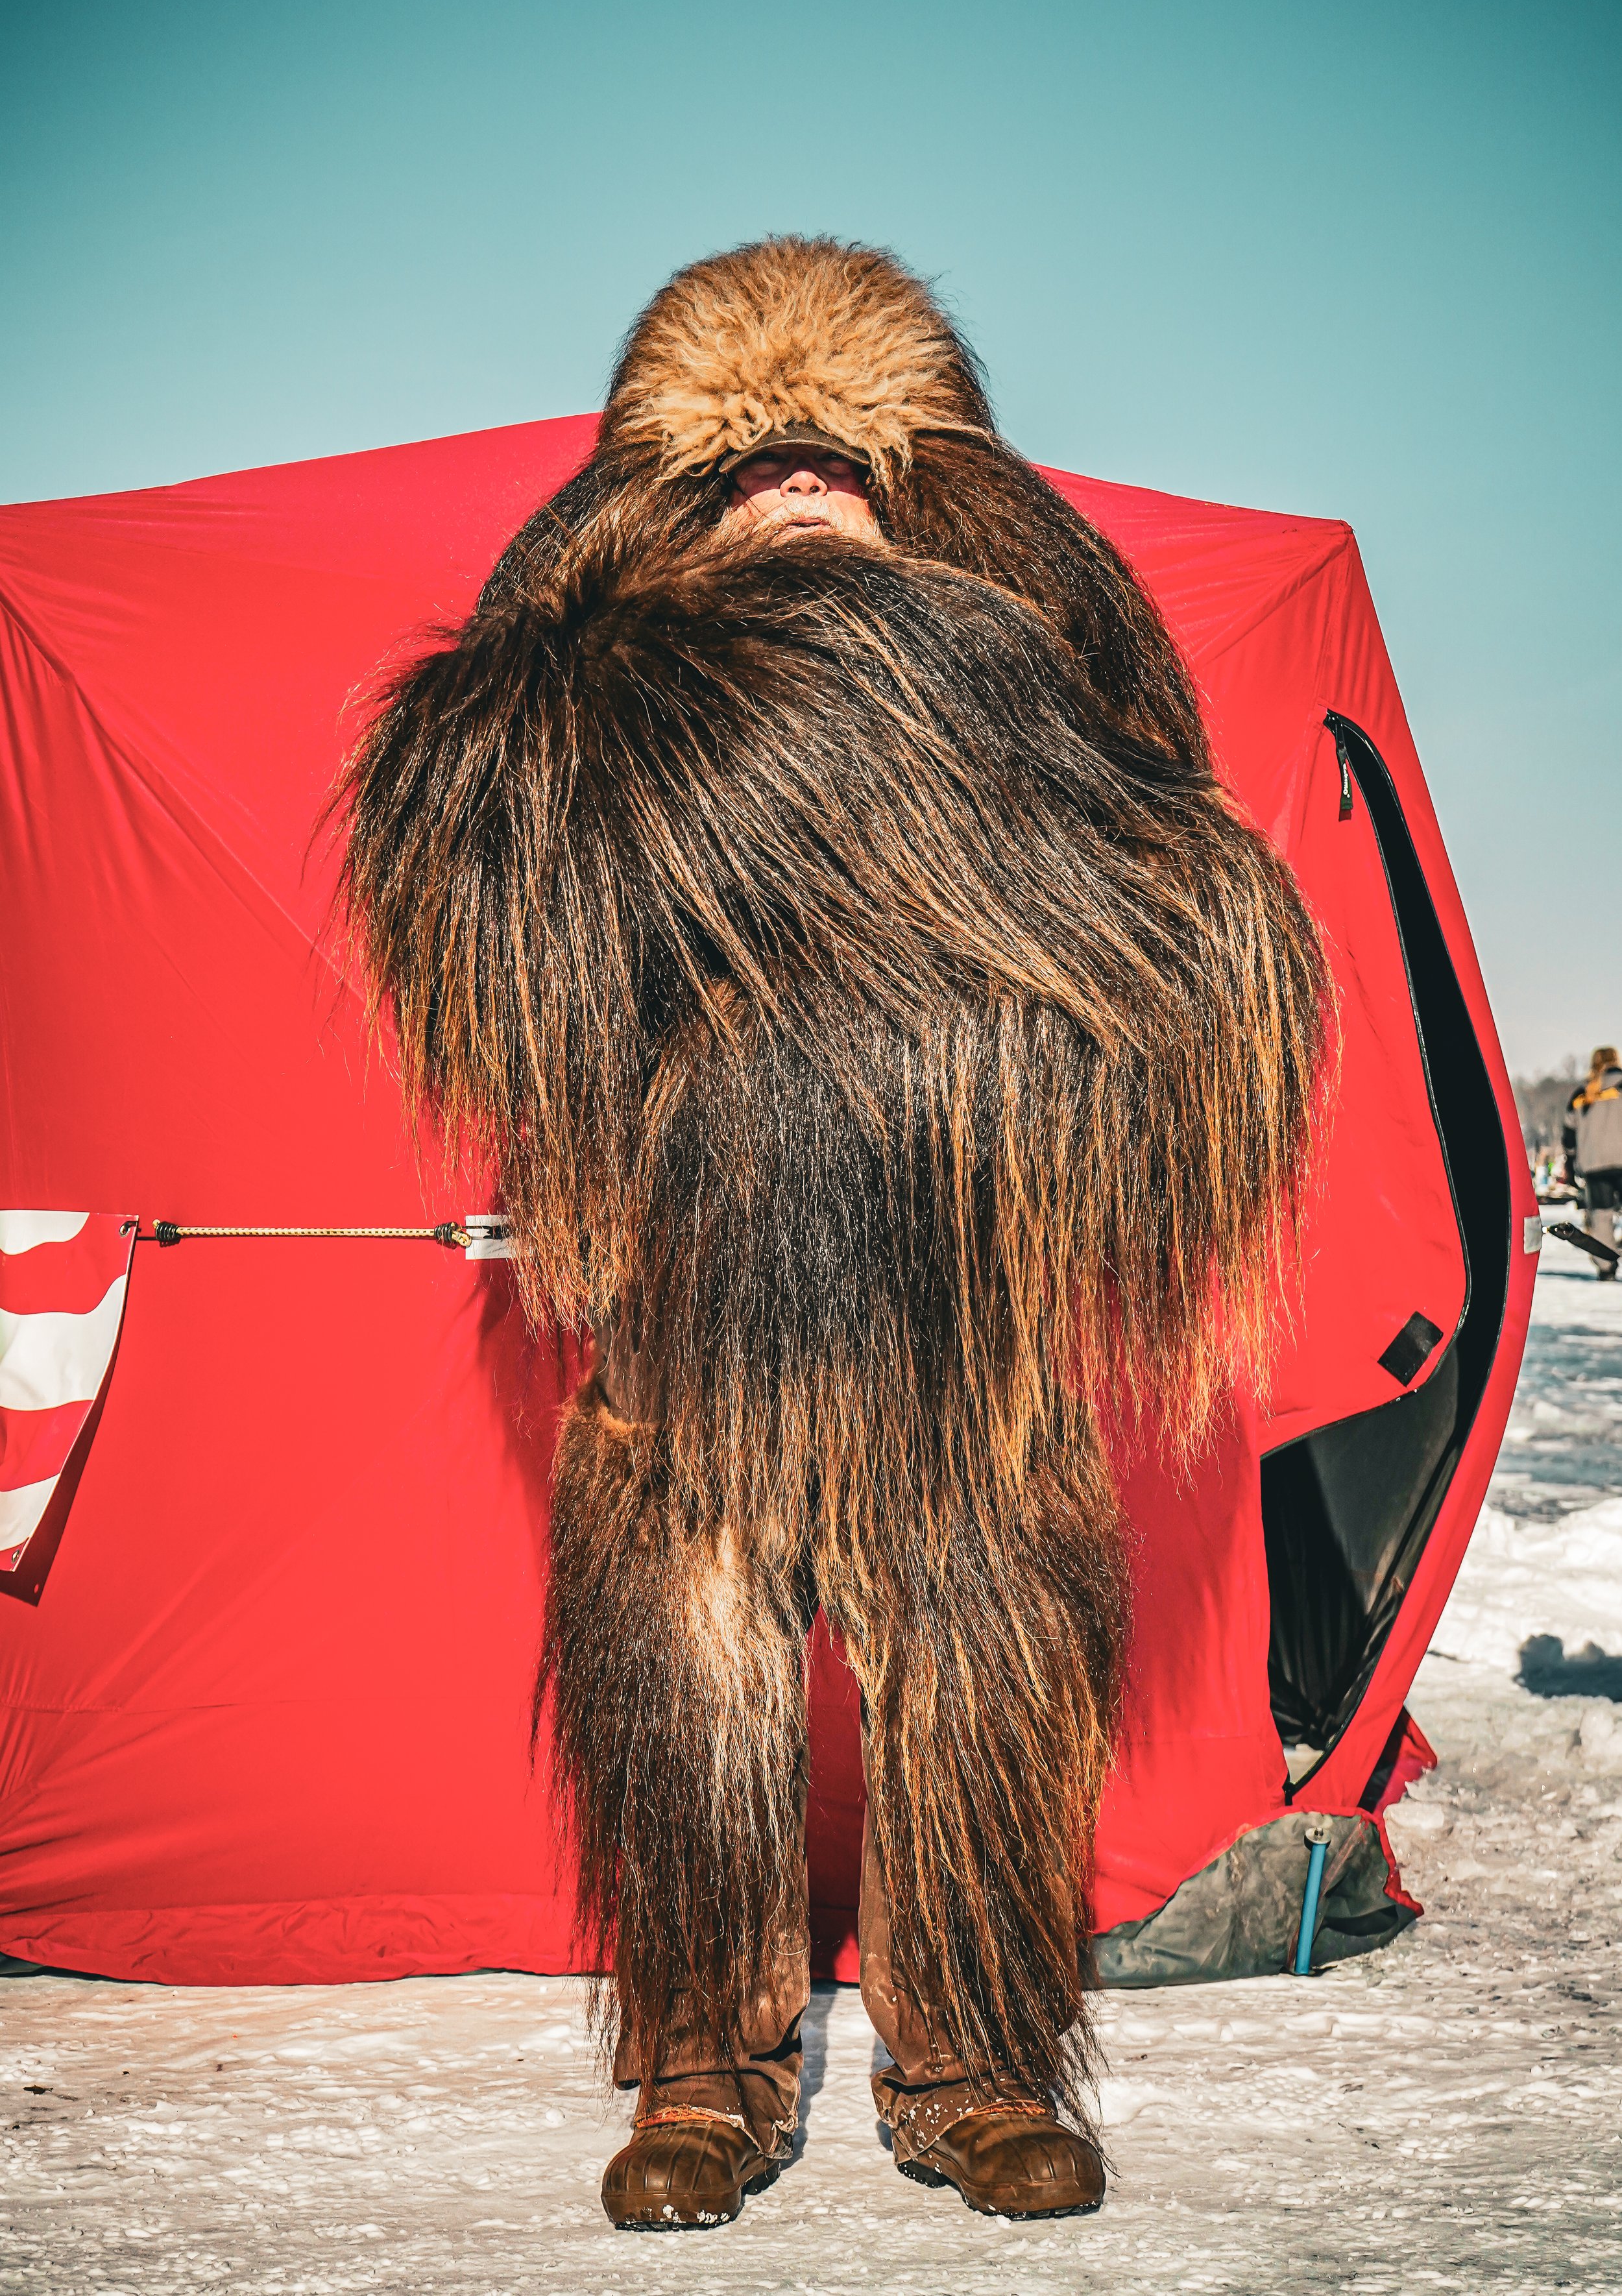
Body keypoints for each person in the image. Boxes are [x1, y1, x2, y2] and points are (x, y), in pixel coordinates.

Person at [336, 238, 1327, 2229]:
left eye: (843, 456)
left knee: (982, 1666)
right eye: (740, 464)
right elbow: (458, 886)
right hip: (690, 1331)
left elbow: (1204, 932)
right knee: (682, 1686)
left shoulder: (1036, 709)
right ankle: (703, 2063)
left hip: (958, 1324)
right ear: (660, 507)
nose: (797, 476)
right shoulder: (573, 731)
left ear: (923, 488)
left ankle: (967, 2067)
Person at [1562, 1046, 1622, 1275]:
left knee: (1601, 1218)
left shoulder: (1581, 1095)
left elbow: (1568, 1136)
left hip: (1595, 1165)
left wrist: (1570, 1162)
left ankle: (1606, 1265)